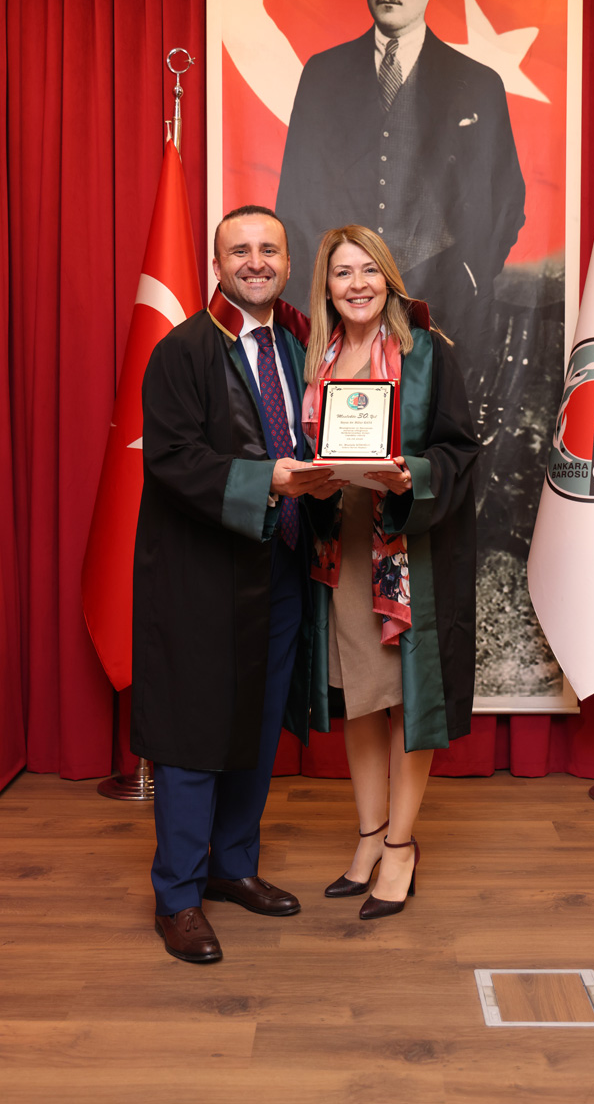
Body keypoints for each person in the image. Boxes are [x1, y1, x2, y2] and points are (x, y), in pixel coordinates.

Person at [131, 206, 339, 962]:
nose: (256, 261)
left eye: (269, 249)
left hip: (278, 565)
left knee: (256, 721)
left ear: (287, 262)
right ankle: (178, 896)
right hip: (200, 573)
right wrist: (268, 480)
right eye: (240, 250)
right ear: (216, 265)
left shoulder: (298, 347)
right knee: (193, 731)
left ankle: (232, 865)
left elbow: (313, 438)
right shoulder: (182, 351)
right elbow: (174, 461)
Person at [286, 225, 479, 918]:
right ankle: (368, 835)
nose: (357, 284)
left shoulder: (426, 353)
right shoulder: (315, 359)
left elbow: (460, 450)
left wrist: (409, 477)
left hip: (403, 552)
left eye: (369, 270)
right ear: (326, 286)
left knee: (404, 697)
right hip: (340, 547)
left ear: (389, 278)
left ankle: (401, 845)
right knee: (360, 693)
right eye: (343, 272)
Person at [275, 0, 526, 344]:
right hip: (338, 315)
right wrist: (320, 292)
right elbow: (295, 199)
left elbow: (506, 200)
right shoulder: (322, 74)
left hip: (445, 316)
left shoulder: (478, 84)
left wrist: (471, 275)